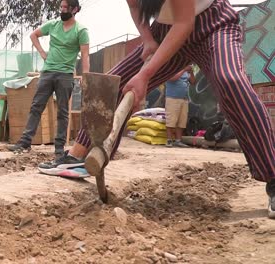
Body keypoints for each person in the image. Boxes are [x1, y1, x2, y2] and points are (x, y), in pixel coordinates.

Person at [39, 0, 275, 218]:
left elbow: (185, 21)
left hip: (213, 25)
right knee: (112, 83)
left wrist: (145, 75)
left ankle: (273, 174)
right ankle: (78, 157)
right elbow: (135, 7)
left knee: (230, 81)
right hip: (165, 29)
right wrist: (148, 40)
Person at [8, 0, 90, 156]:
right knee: (36, 106)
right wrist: (42, 53)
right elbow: (34, 35)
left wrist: (86, 78)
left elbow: (85, 55)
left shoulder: (81, 30)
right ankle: (25, 143)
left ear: (75, 9)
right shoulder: (53, 25)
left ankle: (59, 148)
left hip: (65, 75)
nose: (62, 10)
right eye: (61, 7)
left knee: (63, 112)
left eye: (66, 8)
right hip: (47, 73)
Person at [165, 65, 195, 147]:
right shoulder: (170, 68)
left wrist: (191, 72)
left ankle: (178, 140)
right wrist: (184, 69)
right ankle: (169, 140)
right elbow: (173, 78)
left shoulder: (186, 72)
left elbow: (193, 82)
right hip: (172, 98)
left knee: (182, 121)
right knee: (171, 119)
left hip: (184, 99)